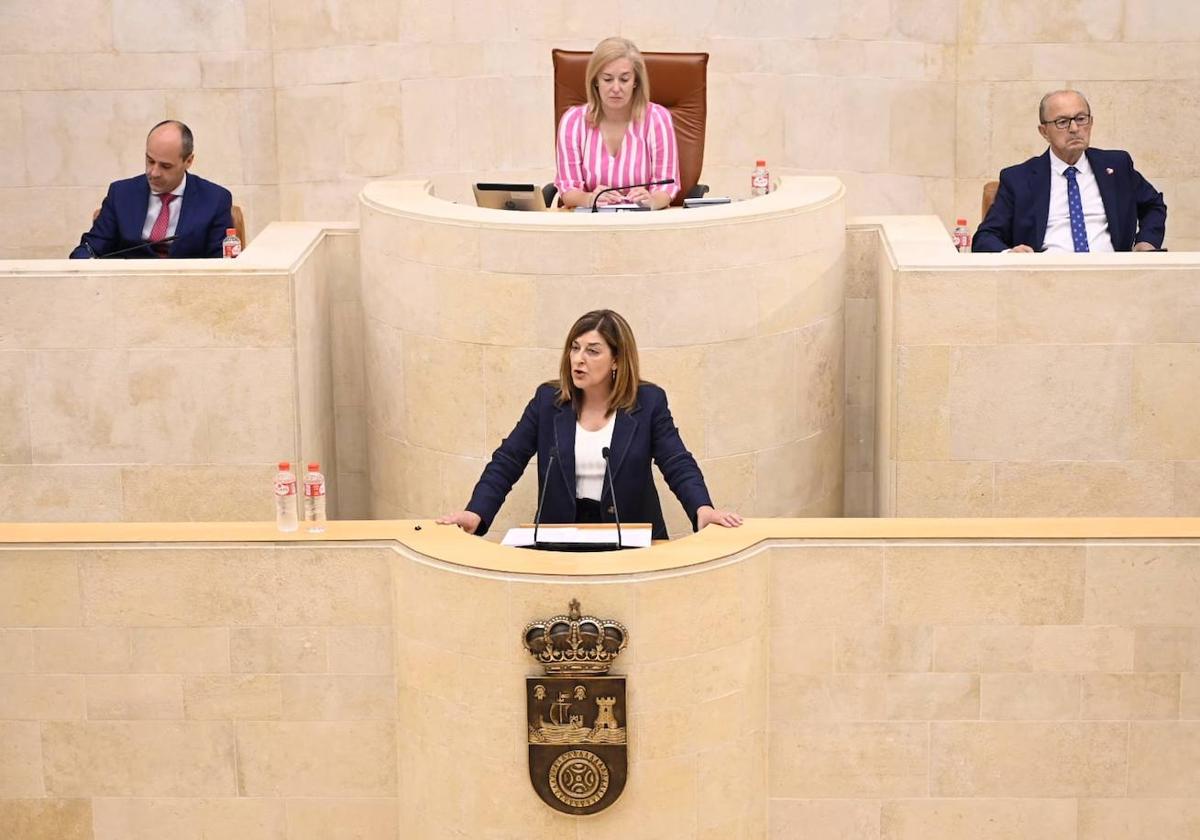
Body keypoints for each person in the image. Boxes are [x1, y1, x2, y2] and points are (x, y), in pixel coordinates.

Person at [437, 310, 742, 540]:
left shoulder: (648, 403)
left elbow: (678, 463)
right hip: (561, 536)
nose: (578, 359)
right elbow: (507, 461)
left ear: (617, 361)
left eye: (592, 351)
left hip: (631, 535)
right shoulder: (548, 402)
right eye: (574, 348)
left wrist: (702, 508)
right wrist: (476, 511)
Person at [972, 89, 1166, 253]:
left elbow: (1153, 205)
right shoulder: (1019, 178)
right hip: (1046, 280)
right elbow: (985, 237)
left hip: (1111, 276)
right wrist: (1010, 254)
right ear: (1044, 132)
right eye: (1062, 122)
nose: (1074, 128)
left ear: (1090, 123)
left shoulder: (1117, 165)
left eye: (1081, 119)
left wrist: (1146, 242)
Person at [69, 120, 234, 259]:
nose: (154, 173)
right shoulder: (121, 194)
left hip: (186, 291)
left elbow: (220, 263)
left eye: (166, 166)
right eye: (150, 161)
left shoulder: (215, 199)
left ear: (188, 161)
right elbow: (91, 247)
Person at [554, 37, 680, 210]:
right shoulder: (573, 121)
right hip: (591, 223)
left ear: (635, 81)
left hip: (644, 222)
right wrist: (590, 198)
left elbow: (667, 186)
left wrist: (652, 201)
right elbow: (568, 188)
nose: (615, 88)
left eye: (624, 79)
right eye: (607, 79)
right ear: (595, 81)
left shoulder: (657, 118)